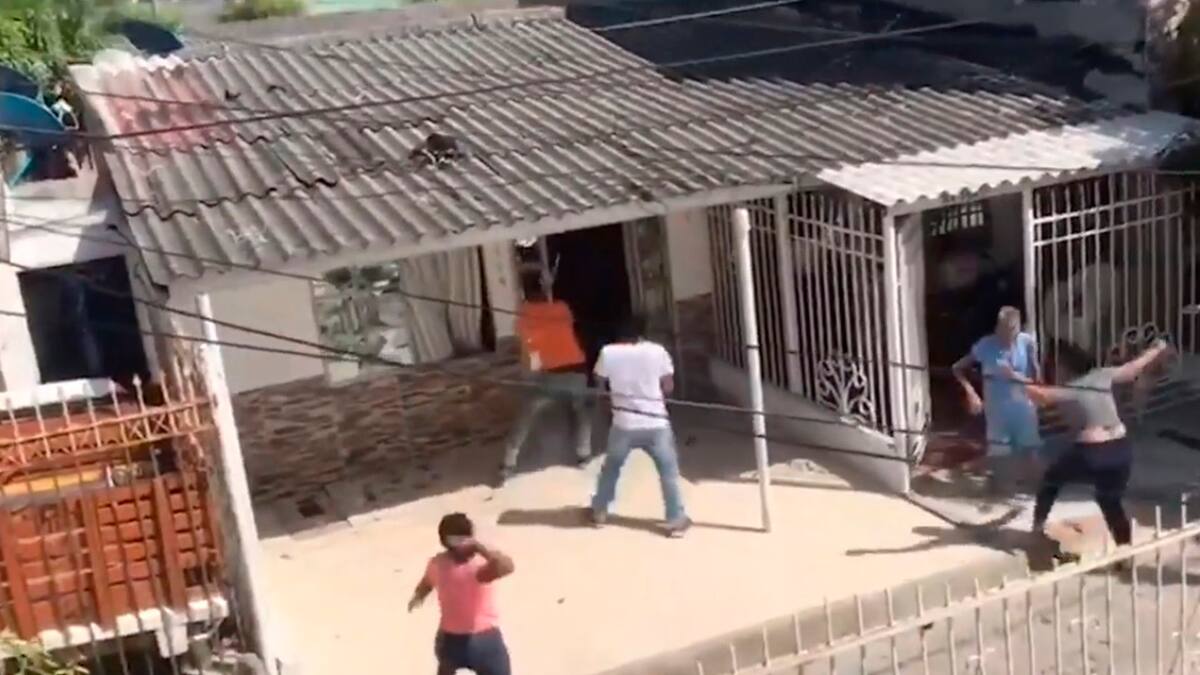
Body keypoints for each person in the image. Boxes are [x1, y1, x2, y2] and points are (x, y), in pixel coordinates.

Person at [1002, 338, 1172, 554]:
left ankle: (1037, 529)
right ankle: (1125, 550)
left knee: (1051, 480)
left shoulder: (1072, 387)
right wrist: (1156, 349)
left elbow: (1041, 395)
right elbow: (1132, 368)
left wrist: (1011, 377)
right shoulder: (1102, 375)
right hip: (1121, 450)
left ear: (1065, 368)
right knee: (1109, 500)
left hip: (1093, 453)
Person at [588, 314, 690, 537]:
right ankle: (675, 520)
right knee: (668, 473)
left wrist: (610, 408)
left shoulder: (608, 352)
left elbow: (600, 387)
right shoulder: (657, 351)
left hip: (623, 423)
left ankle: (599, 512)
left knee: (611, 469)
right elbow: (668, 386)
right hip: (656, 422)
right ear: (643, 332)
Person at [499, 273, 592, 485]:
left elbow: (530, 352)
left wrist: (531, 377)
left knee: (526, 415)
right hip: (577, 370)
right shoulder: (562, 307)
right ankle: (584, 455)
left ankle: (508, 464)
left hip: (549, 375)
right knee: (581, 410)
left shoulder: (523, 315)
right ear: (544, 289)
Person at [408, 513, 515, 675]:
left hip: (449, 641)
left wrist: (418, 597)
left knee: (445, 662)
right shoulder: (478, 568)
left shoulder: (436, 564)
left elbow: (426, 583)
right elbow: (507, 566)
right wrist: (480, 547)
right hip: (484, 640)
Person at [952, 306, 1043, 492]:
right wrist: (971, 392)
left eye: (1012, 331)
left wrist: (1017, 377)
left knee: (1030, 454)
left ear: (1018, 328)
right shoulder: (986, 345)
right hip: (998, 412)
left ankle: (1033, 495)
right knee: (1001, 457)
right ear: (997, 327)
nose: (1007, 336)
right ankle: (1000, 487)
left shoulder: (1027, 343)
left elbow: (1037, 378)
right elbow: (957, 368)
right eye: (1004, 330)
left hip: (1024, 409)